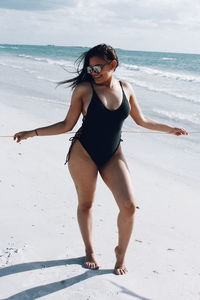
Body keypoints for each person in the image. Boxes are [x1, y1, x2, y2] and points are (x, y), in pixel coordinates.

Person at [13, 44, 188, 275]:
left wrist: (170, 129)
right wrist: (32, 133)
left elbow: (142, 120)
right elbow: (66, 125)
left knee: (128, 207)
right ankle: (89, 250)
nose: (93, 72)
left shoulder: (127, 88)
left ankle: (120, 254)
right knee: (86, 204)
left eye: (98, 67)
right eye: (90, 68)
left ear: (113, 64)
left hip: (113, 154)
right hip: (83, 152)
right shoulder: (84, 90)